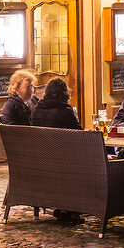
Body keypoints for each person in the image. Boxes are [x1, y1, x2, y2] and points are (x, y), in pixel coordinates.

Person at [31, 77, 83, 224]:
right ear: (64, 93)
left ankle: (62, 207)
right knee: (85, 164)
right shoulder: (65, 111)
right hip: (61, 163)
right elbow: (80, 136)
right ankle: (72, 208)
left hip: (38, 161)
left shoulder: (37, 110)